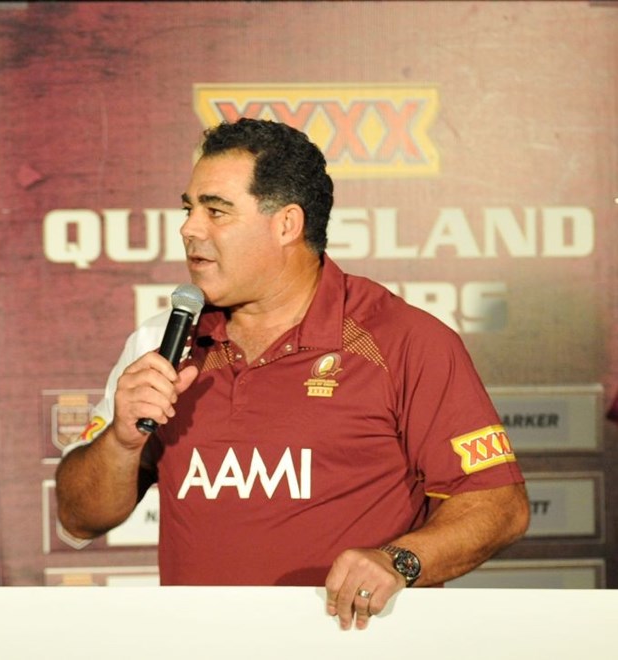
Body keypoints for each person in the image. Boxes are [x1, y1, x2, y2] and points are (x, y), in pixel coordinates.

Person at [54, 117, 529, 631]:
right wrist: (122, 442)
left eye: (216, 211)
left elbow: (498, 504)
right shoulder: (161, 343)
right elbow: (79, 517)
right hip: (198, 645)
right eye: (189, 209)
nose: (189, 229)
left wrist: (400, 561)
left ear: (286, 224)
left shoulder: (404, 341)